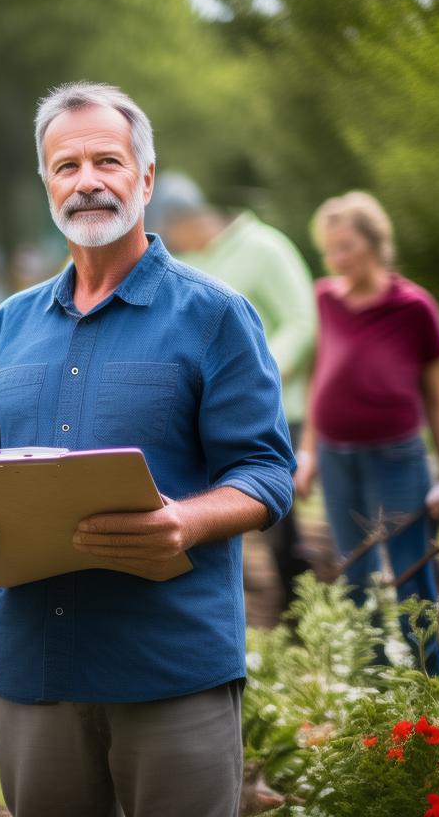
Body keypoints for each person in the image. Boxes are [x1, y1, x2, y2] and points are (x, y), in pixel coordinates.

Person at [0, 82, 294, 817]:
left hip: (169, 667)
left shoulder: (216, 316)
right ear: (46, 185)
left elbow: (265, 472)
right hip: (31, 669)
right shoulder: (8, 325)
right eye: (66, 166)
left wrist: (186, 521)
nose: (87, 181)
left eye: (107, 161)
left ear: (145, 177)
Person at [294, 191, 439, 675]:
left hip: (397, 456)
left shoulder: (414, 307)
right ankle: (376, 689)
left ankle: (432, 683)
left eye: (346, 246)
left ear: (374, 242)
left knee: (411, 574)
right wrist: (308, 454)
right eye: (331, 249)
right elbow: (320, 375)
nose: (337, 258)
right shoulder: (324, 298)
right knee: (354, 574)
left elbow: (438, 399)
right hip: (336, 456)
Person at [148, 172, 317, 616]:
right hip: (210, 415)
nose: (172, 243)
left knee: (280, 518)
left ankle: (299, 619)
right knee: (216, 510)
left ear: (188, 218)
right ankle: (235, 614)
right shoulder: (197, 263)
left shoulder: (265, 248)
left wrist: (254, 376)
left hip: (278, 407)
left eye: (171, 232)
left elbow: (302, 321)